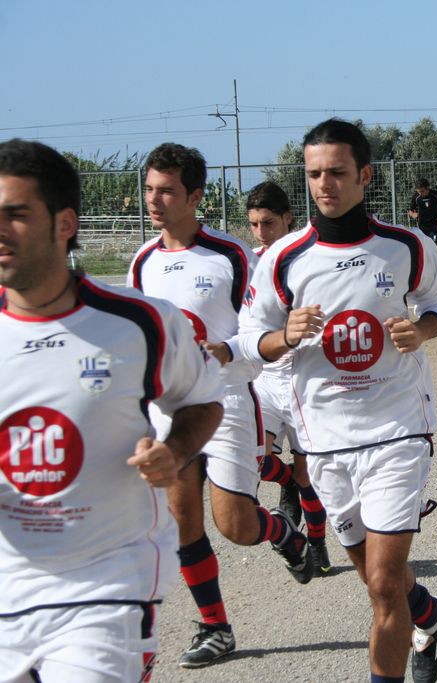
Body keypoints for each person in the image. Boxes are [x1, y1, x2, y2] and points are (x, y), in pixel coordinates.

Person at [238, 119, 437, 683]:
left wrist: (422, 330)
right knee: (374, 576)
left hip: (398, 429)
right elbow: (250, 340)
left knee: (383, 585)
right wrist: (285, 336)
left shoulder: (406, 246)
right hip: (325, 441)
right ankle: (429, 613)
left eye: (336, 172)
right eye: (314, 174)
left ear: (365, 175)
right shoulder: (283, 258)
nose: (324, 184)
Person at [0, 139, 223, 681]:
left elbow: (202, 401)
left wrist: (173, 452)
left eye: (16, 214)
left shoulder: (140, 322)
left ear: (64, 223)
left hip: (104, 587)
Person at [127, 144, 314, 669]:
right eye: (150, 189)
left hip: (227, 400)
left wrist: (229, 352)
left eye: (167, 191)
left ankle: (283, 533)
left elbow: (260, 328)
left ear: (194, 196)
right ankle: (216, 628)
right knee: (183, 520)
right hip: (170, 409)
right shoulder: (142, 262)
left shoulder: (230, 257)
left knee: (235, 525)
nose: (154, 200)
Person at [246, 181, 331, 575]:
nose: (261, 232)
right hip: (264, 380)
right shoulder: (248, 263)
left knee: (306, 472)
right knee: (255, 459)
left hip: (303, 379)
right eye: (254, 224)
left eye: (268, 223)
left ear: (287, 219)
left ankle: (318, 545)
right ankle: (288, 484)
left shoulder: (308, 259)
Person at [408, 178, 437, 245]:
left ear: (427, 188)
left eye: (422, 191)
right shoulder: (416, 197)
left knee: (434, 245)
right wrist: (413, 215)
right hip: (422, 226)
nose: (420, 193)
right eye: (418, 191)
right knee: (424, 246)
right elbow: (410, 211)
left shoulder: (436, 195)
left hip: (435, 225)